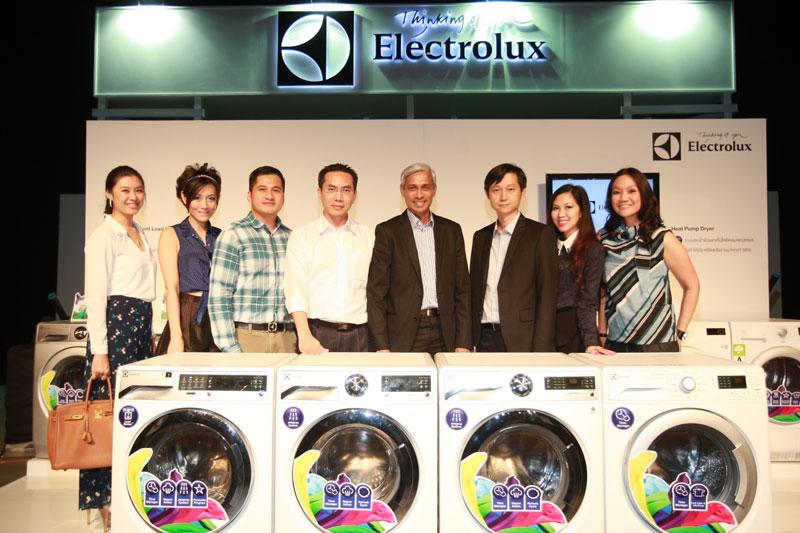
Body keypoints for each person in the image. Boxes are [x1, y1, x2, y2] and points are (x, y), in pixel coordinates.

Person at [82, 165, 157, 530]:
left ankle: (128, 495)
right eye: (125, 190)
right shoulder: (104, 236)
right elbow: (96, 296)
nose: (133, 196)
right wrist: (100, 351)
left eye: (138, 190)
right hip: (115, 329)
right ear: (109, 193)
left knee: (132, 413)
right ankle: (103, 503)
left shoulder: (138, 232)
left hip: (140, 325)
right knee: (106, 417)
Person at [367, 163, 471, 354]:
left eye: (425, 187)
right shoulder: (388, 231)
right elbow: (376, 293)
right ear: (402, 190)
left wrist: (463, 342)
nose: (419, 194)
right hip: (403, 333)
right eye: (412, 188)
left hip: (446, 331)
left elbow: (462, 291)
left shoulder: (452, 231)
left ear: (434, 190)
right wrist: (381, 345)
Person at [598, 167, 700, 352]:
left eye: (631, 191)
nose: (623, 197)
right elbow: (604, 292)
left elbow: (692, 285)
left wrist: (680, 333)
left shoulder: (662, 237)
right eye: (616, 192)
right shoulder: (604, 238)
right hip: (615, 342)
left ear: (644, 195)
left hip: (657, 343)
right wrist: (602, 333)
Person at [284, 163, 374, 353]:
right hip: (317, 333)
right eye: (331, 189)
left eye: (346, 190)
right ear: (320, 193)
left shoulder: (369, 237)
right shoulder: (302, 237)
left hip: (361, 335)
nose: (338, 197)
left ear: (355, 195)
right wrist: (304, 335)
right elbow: (295, 290)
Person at [470, 163, 558, 352]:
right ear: (487, 194)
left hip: (523, 338)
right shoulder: (480, 237)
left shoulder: (541, 234)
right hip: (484, 336)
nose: (503, 197)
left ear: (522, 192)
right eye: (496, 190)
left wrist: (542, 348)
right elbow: (475, 291)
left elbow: (547, 296)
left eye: (510, 189)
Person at [208, 166, 296, 353]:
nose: (269, 196)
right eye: (262, 189)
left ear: (283, 196)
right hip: (247, 337)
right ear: (249, 195)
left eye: (276, 190)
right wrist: (230, 348)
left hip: (287, 337)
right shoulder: (233, 234)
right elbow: (219, 295)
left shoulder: (292, 238)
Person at [155, 163, 222, 354]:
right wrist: (177, 337)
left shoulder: (222, 236)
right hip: (187, 317)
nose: (204, 205)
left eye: (211, 198)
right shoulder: (172, 234)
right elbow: (172, 289)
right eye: (197, 198)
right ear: (184, 197)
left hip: (217, 318)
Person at [548, 184, 613, 355]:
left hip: (574, 335)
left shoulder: (593, 249)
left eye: (568, 207)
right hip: (543, 334)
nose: (561, 214)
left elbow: (588, 301)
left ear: (582, 212)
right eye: (555, 208)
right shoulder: (544, 245)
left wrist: (590, 342)